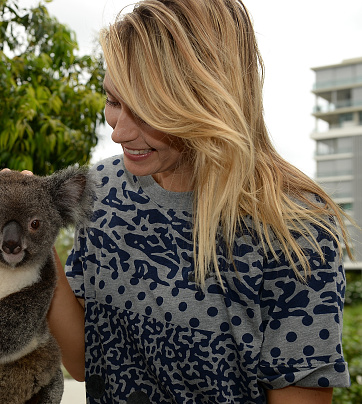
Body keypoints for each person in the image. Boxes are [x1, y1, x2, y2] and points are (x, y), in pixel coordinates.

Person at [48, 0, 352, 403]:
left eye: (145, 110)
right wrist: (36, 248)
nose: (118, 132)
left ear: (207, 100)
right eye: (113, 102)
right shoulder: (99, 191)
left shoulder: (295, 228)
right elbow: (86, 363)